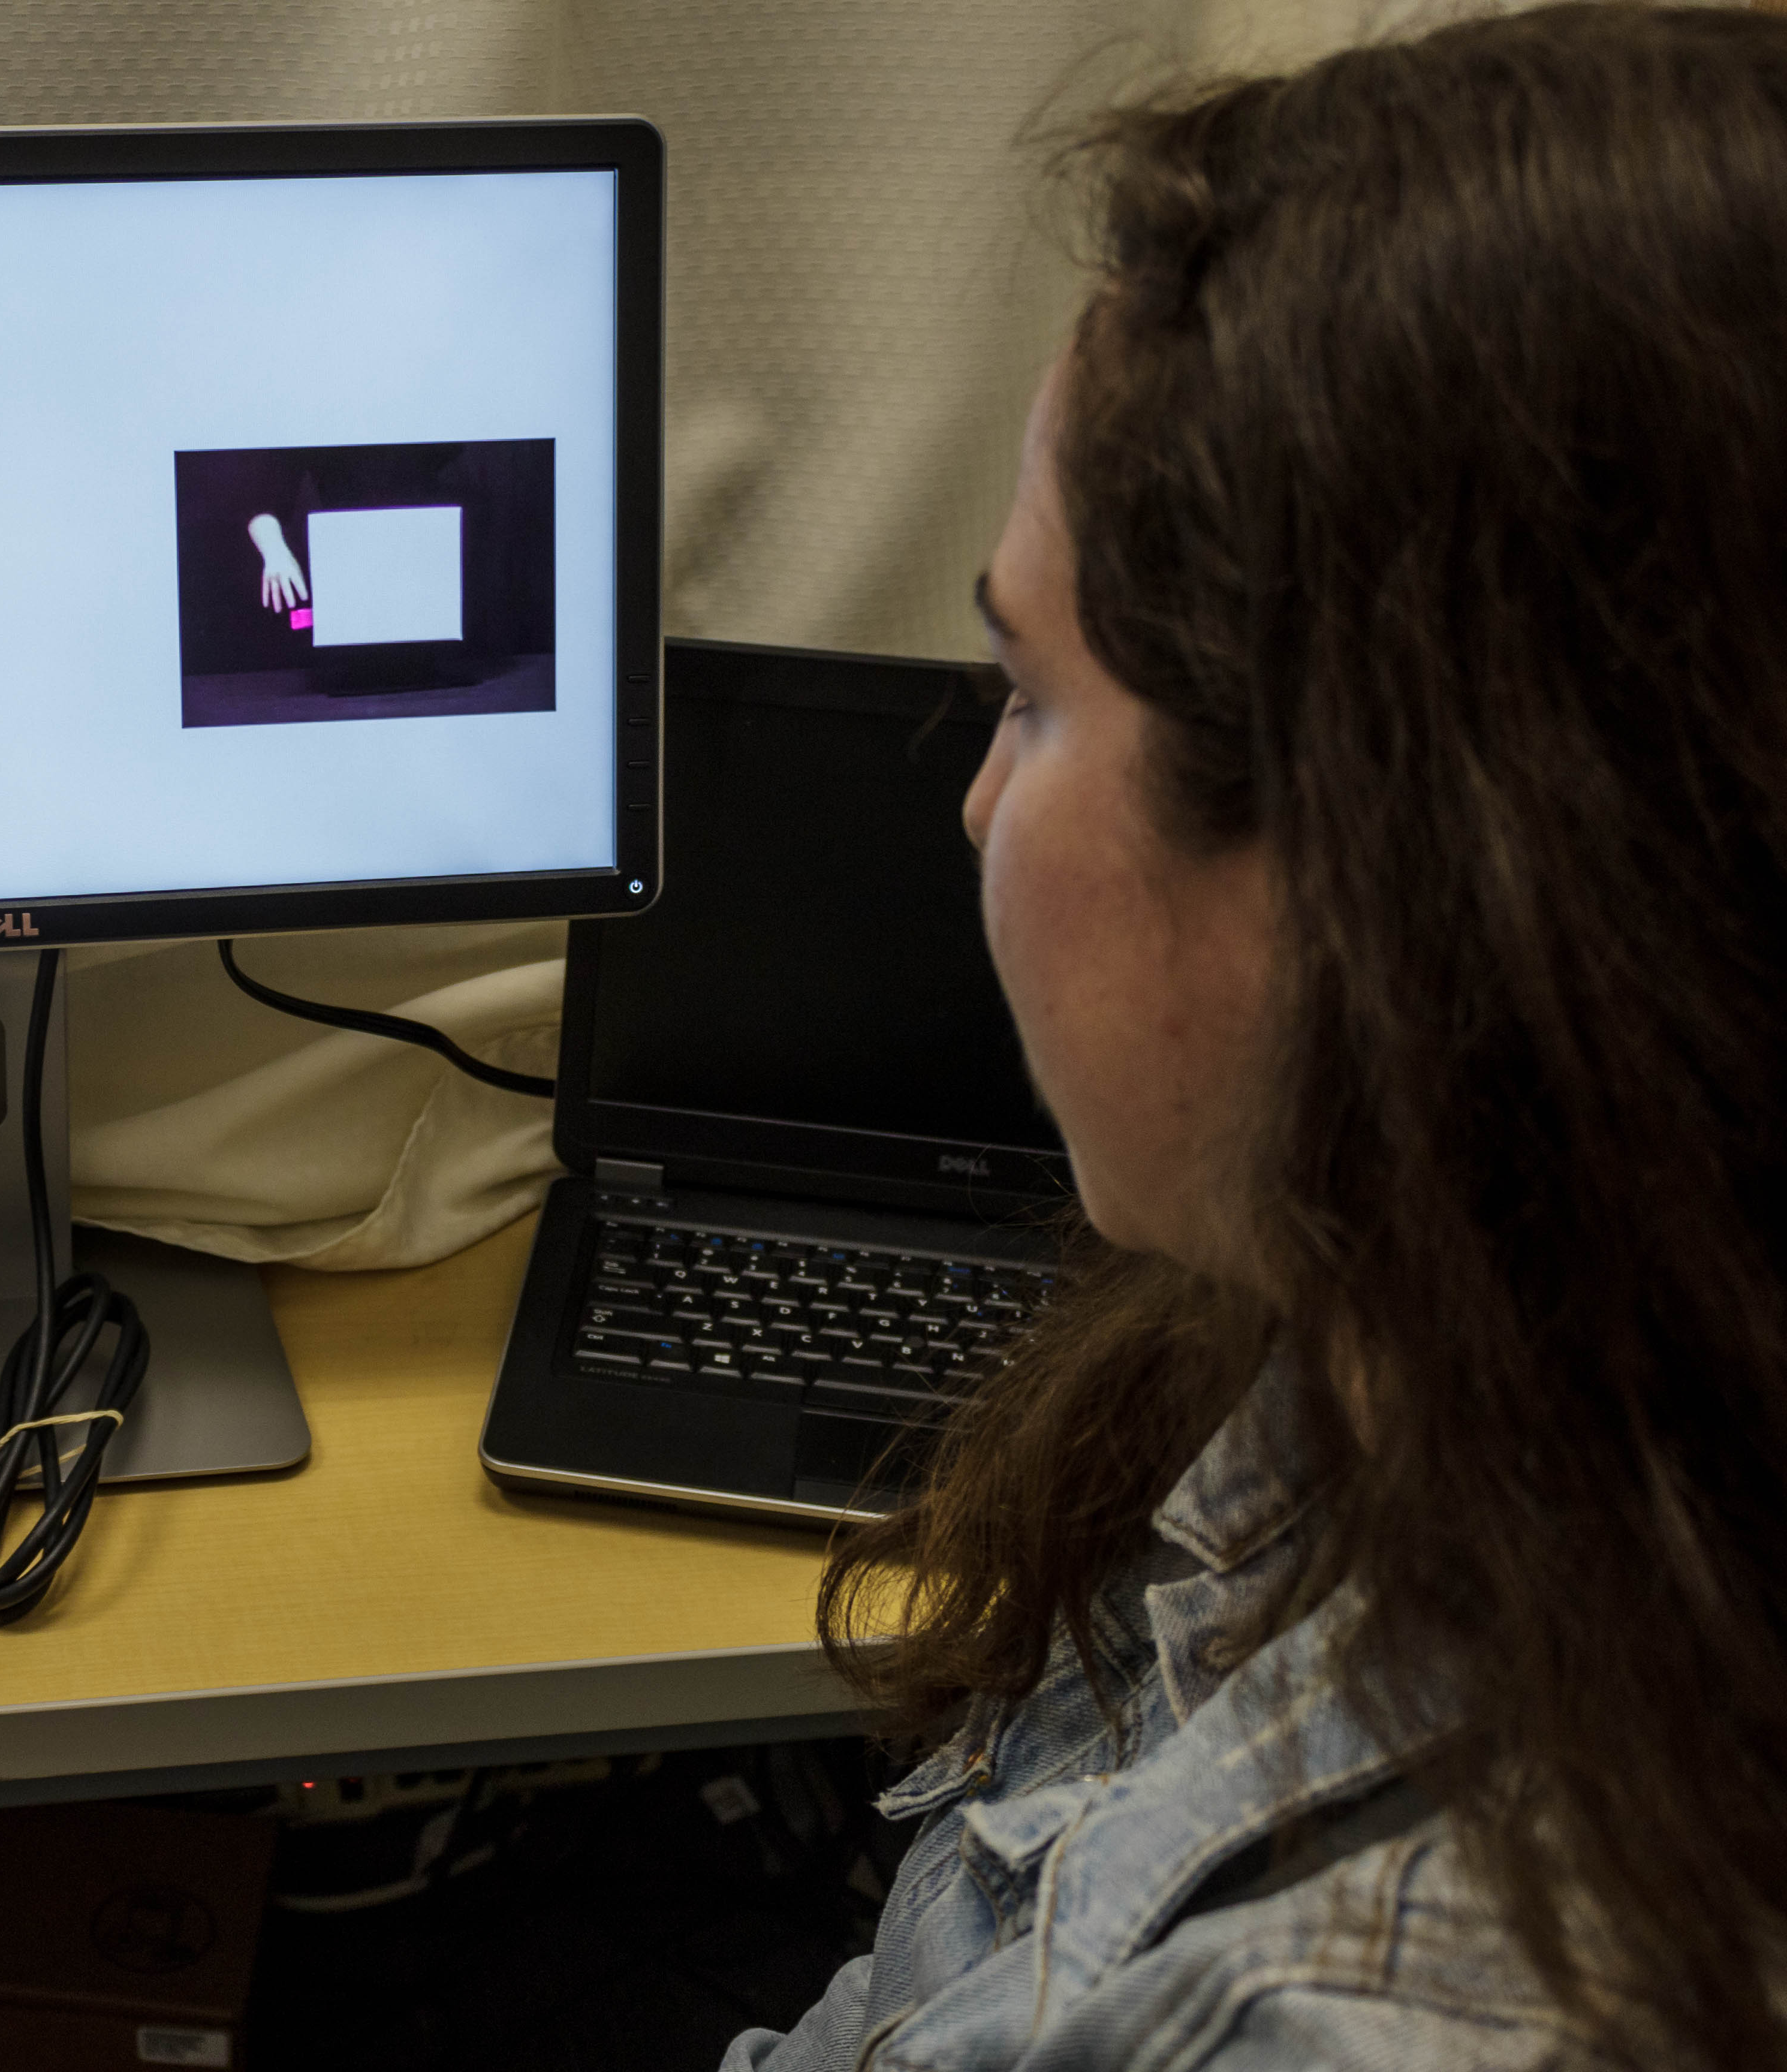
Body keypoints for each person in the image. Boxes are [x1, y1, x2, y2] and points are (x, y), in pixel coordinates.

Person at [728, 9, 1787, 2068]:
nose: (971, 800)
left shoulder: (1365, 2021)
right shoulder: (1437, 1361)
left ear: (1389, 872)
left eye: (1027, 695)